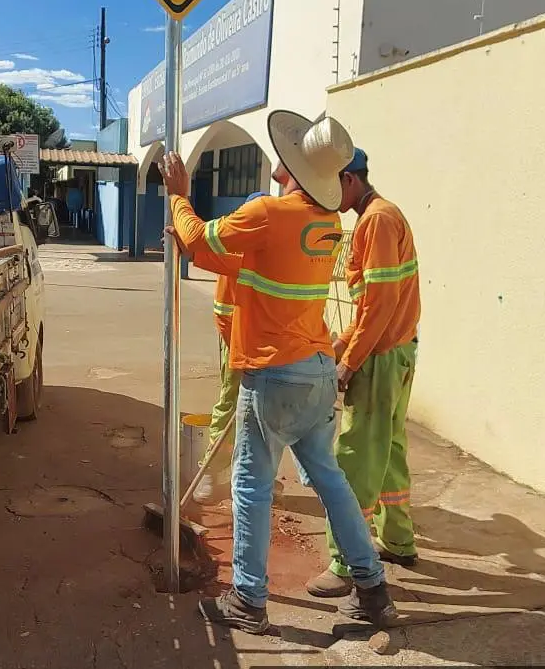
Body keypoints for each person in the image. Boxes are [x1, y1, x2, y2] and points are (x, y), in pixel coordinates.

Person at [160, 112, 396, 635]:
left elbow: (202, 242)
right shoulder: (326, 222)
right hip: (315, 371)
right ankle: (373, 589)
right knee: (331, 482)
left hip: (273, 375)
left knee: (251, 484)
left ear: (292, 167)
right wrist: (195, 246)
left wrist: (178, 195)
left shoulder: (268, 213)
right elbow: (246, 263)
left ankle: (248, 599)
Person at [306, 148, 421, 598]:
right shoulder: (384, 215)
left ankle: (347, 563)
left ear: (349, 180)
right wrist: (340, 343)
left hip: (381, 357)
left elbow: (381, 303)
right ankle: (398, 541)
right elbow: (375, 304)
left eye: (332, 186)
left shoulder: (375, 221)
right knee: (389, 452)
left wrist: (349, 363)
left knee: (355, 457)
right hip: (397, 351)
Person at [169, 190, 312, 505]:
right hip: (239, 340)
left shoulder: (262, 249)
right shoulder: (243, 250)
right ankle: (210, 472)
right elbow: (202, 248)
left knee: (267, 415)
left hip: (267, 344)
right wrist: (185, 241)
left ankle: (258, 474)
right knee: (231, 404)